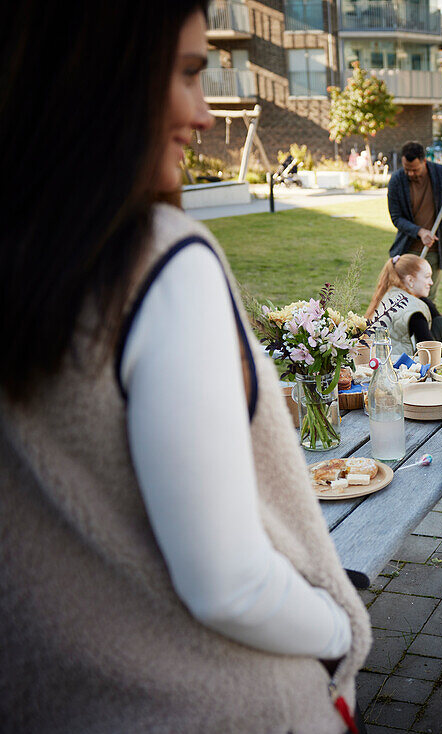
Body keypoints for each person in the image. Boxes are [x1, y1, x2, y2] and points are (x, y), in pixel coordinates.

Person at [0, 3, 371, 731]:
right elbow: (229, 583)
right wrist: (338, 635)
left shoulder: (29, 258)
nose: (203, 114)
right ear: (101, 78)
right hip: (223, 703)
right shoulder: (161, 263)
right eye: (189, 73)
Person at [387, 140, 442, 301]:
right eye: (407, 169)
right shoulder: (397, 180)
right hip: (407, 249)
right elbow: (396, 218)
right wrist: (420, 231)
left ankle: (425, 325)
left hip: (434, 250)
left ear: (424, 161)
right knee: (401, 299)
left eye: (415, 169)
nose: (410, 173)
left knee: (427, 299)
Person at [367, 254, 442, 359]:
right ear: (410, 280)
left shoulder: (389, 294)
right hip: (400, 367)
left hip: (379, 360)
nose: (431, 282)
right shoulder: (414, 309)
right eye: (427, 277)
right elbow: (430, 354)